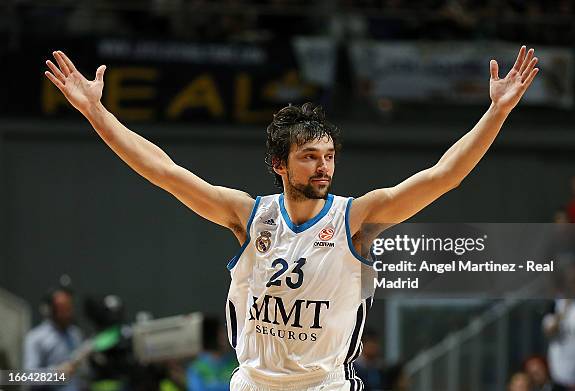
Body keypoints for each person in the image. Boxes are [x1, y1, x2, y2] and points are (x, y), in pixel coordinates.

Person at [43, 46, 539, 390]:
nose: (323, 165)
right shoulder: (247, 215)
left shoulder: (357, 219)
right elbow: (164, 172)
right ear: (280, 164)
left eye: (328, 156)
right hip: (253, 384)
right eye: (309, 156)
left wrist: (496, 112)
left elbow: (444, 176)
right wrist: (96, 113)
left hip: (323, 386)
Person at [23, 287, 85, 391]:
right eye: (63, 309)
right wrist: (56, 374)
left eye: (69, 308)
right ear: (51, 311)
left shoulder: (75, 334)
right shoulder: (35, 337)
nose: (68, 314)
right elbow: (28, 377)